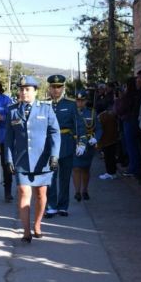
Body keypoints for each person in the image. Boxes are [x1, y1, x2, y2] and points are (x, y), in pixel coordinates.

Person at [5, 76, 61, 242]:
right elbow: (8, 138)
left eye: (28, 89)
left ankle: (37, 224)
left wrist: (54, 155)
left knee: (41, 194)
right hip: (21, 160)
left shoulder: (46, 109)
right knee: (23, 192)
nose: (24, 92)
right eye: (21, 89)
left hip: (42, 160)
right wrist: (8, 159)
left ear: (35, 91)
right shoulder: (13, 110)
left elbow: (55, 133)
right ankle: (26, 231)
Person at [44, 75, 86, 218]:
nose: (56, 90)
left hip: (66, 143)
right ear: (49, 88)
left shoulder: (70, 104)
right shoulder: (44, 105)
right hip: (49, 144)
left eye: (59, 87)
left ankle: (63, 206)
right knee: (50, 177)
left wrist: (82, 142)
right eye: (53, 87)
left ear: (63, 88)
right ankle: (51, 206)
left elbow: (79, 124)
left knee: (65, 177)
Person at [72, 90, 102, 201]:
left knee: (85, 168)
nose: (80, 103)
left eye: (82, 100)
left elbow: (99, 128)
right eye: (78, 100)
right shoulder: (72, 112)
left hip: (89, 144)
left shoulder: (92, 113)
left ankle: (84, 190)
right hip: (75, 143)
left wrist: (96, 138)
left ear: (86, 101)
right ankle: (77, 192)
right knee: (75, 168)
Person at [114, 77, 141, 177]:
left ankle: (133, 167)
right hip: (135, 121)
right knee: (135, 146)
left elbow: (119, 110)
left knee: (131, 146)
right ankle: (135, 166)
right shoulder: (138, 94)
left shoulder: (129, 96)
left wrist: (117, 101)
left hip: (129, 121)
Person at [97, 106, 120, 180]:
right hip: (112, 139)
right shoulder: (109, 115)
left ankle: (110, 173)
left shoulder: (102, 117)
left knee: (108, 157)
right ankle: (113, 172)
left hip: (106, 140)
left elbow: (99, 128)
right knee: (111, 157)